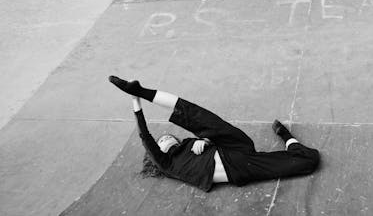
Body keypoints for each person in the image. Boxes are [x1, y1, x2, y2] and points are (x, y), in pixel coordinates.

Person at [109, 76, 320, 192]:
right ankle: (286, 137)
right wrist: (136, 106)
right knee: (308, 161)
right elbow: (145, 137)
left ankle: (141, 90)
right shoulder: (166, 164)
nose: (165, 137)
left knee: (197, 116)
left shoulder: (189, 144)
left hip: (233, 146)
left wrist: (205, 141)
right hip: (239, 167)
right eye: (162, 140)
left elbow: (210, 134)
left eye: (166, 136)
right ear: (159, 153)